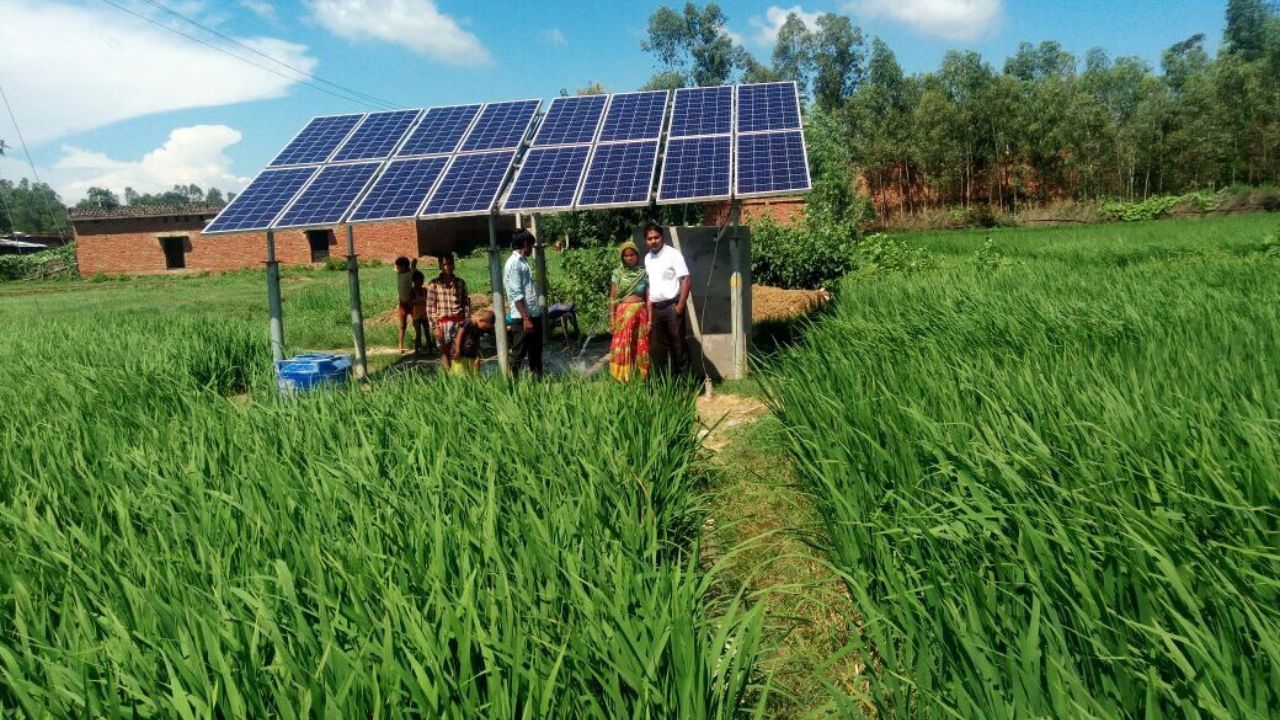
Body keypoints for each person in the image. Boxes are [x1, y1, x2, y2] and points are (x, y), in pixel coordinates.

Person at [643, 223, 691, 377]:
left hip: (672, 307)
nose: (653, 241)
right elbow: (649, 285)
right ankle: (671, 384)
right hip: (656, 309)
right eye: (650, 238)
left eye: (656, 237)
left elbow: (686, 279)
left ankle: (686, 385)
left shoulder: (673, 254)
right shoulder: (647, 258)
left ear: (661, 237)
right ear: (646, 241)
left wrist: (681, 305)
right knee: (662, 349)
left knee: (679, 346)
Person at [503, 229, 544, 377]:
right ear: (526, 244)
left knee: (535, 353)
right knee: (518, 354)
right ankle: (511, 385)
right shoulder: (514, 264)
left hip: (532, 314)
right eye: (531, 247)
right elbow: (516, 293)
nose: (531, 250)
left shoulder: (523, 262)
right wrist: (526, 318)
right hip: (522, 318)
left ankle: (537, 383)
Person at [609, 241, 650, 382]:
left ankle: (640, 377)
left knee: (639, 346)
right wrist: (612, 318)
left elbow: (648, 298)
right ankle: (622, 378)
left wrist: (650, 319)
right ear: (622, 257)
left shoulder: (643, 274)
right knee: (622, 345)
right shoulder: (617, 274)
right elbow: (613, 298)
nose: (629, 258)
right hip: (622, 316)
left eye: (632, 255)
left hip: (640, 315)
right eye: (626, 255)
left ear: (637, 256)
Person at [426, 252, 469, 370]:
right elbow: (430, 308)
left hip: (459, 322)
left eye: (450, 264)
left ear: (453, 265)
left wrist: (466, 322)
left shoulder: (460, 283)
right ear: (440, 266)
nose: (448, 267)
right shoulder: (433, 284)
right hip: (442, 323)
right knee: (444, 352)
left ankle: (459, 377)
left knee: (459, 350)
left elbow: (466, 304)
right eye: (445, 264)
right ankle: (449, 378)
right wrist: (435, 327)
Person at [449, 309, 496, 376]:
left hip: (471, 355)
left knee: (471, 375)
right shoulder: (468, 322)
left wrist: (477, 356)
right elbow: (459, 336)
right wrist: (458, 351)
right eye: (485, 327)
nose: (485, 329)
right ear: (480, 320)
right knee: (459, 374)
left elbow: (477, 342)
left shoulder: (478, 328)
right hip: (460, 355)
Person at [394, 256, 417, 354]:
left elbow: (414, 265)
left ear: (404, 267)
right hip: (402, 304)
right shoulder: (399, 274)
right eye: (397, 267)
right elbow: (395, 269)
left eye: (399, 267)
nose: (397, 269)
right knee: (402, 326)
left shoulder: (409, 274)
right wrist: (397, 267)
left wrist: (413, 262)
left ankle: (417, 344)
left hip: (411, 303)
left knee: (416, 323)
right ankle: (400, 345)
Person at [410, 269, 430, 353]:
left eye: (422, 280)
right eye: (419, 280)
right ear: (414, 281)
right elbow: (411, 302)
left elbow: (429, 300)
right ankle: (416, 350)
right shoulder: (412, 291)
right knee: (418, 333)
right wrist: (422, 300)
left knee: (427, 332)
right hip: (416, 315)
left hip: (425, 314)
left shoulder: (424, 290)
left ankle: (430, 350)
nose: (421, 282)